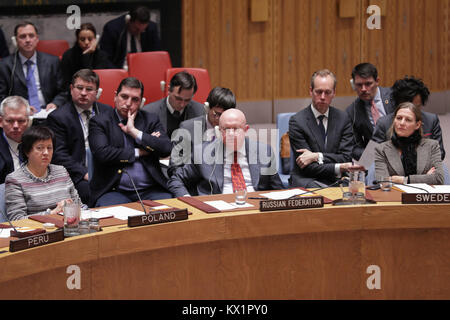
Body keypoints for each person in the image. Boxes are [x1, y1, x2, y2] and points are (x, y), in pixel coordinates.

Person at [88, 77, 172, 207]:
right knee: (114, 217)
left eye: (135, 99)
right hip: (114, 190)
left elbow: (166, 148)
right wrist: (140, 152)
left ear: (141, 102)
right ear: (115, 96)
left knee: (170, 211)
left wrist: (135, 132)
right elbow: (102, 153)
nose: (128, 103)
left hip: (151, 190)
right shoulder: (100, 122)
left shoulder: (150, 120)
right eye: (124, 96)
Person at [168, 109, 284, 197]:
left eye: (236, 128)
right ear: (219, 131)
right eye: (226, 129)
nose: (231, 134)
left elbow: (278, 189)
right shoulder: (202, 153)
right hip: (218, 209)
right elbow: (176, 180)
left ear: (246, 130)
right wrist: (187, 199)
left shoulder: (264, 151)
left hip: (255, 207)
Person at [47, 69, 112, 205]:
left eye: (89, 89)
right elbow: (59, 155)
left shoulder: (107, 112)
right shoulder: (58, 117)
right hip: (78, 175)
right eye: (79, 88)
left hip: (106, 172)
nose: (83, 93)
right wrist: (85, 173)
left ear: (97, 92)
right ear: (71, 89)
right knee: (91, 192)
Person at [289, 69, 354, 188]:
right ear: (310, 91)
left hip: (337, 180)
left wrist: (317, 156)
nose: (323, 97)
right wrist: (339, 167)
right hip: (308, 179)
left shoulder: (343, 118)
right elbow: (307, 166)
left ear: (334, 93)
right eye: (318, 92)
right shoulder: (297, 122)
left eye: (327, 92)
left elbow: (346, 157)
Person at [5, 126, 81, 221]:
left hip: (68, 226)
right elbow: (17, 219)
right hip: (38, 233)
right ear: (27, 151)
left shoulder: (61, 171)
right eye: (40, 148)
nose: (46, 153)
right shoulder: (15, 179)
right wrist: (52, 213)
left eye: (49, 148)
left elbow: (79, 205)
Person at [0, 22, 67, 113]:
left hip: (48, 113)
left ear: (37, 39)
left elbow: (64, 91)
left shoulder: (53, 62)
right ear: (16, 40)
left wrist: (55, 103)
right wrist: (20, 108)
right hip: (19, 116)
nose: (28, 40)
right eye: (23, 36)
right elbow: (1, 96)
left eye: (31, 36)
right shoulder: (4, 65)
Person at [372, 76, 445, 159]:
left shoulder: (431, 120)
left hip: (425, 167)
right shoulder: (383, 123)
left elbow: (440, 153)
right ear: (397, 104)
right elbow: (372, 156)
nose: (410, 112)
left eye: (416, 107)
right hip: (391, 167)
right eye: (406, 107)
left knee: (444, 170)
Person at [374, 102, 444, 185]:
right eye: (399, 118)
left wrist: (404, 180)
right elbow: (382, 182)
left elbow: (439, 178)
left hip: (423, 196)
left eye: (408, 120)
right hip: (395, 196)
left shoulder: (432, 146)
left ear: (417, 125)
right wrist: (425, 177)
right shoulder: (381, 149)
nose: (402, 123)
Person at [346, 63, 395, 160]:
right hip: (375, 157)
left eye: (368, 84)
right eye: (359, 85)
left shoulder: (394, 96)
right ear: (353, 85)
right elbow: (354, 148)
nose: (363, 89)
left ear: (377, 81)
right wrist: (372, 156)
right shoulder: (352, 111)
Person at [142, 71, 205, 138]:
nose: (182, 105)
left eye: (187, 100)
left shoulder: (200, 112)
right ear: (168, 90)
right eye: (178, 99)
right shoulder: (149, 112)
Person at [60, 23, 114, 91]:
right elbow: (65, 83)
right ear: (77, 40)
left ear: (95, 40)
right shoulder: (68, 55)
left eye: (90, 39)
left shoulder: (101, 56)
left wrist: (87, 56)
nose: (86, 42)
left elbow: (96, 80)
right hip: (73, 93)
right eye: (82, 39)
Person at [0, 96, 31, 183]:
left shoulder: (34, 142)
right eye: (10, 121)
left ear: (28, 122)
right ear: (1, 122)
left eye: (21, 121)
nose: (16, 126)